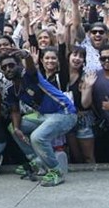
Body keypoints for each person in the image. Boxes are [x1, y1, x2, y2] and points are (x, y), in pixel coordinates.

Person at [6, 49, 77, 187]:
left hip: (65, 113)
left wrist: (27, 56)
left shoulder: (29, 76)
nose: (8, 69)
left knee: (37, 137)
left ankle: (56, 171)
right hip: (44, 116)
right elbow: (15, 111)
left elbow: (31, 68)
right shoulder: (11, 90)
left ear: (19, 66)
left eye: (11, 65)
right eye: (4, 67)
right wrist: (16, 128)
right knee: (13, 127)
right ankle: (37, 162)